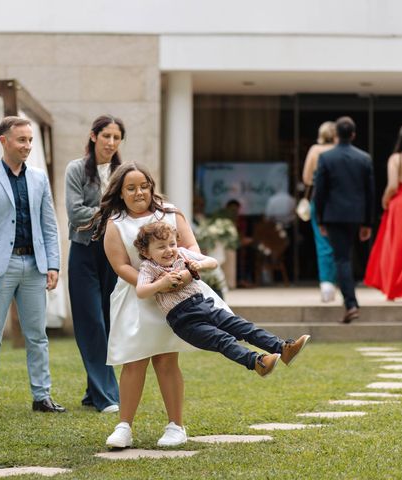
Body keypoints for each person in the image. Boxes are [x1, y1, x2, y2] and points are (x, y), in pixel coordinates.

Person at [89, 162, 231, 449]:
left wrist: (180, 275)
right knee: (134, 361)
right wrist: (154, 285)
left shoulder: (170, 213)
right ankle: (124, 426)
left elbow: (192, 248)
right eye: (131, 188)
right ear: (120, 192)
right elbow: (120, 265)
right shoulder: (115, 225)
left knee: (166, 360)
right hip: (136, 296)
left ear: (152, 187)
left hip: (176, 296)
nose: (139, 192)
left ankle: (176, 425)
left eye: (144, 186)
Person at [0, 116, 65, 416]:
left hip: (34, 265)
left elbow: (49, 225)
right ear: (4, 141)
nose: (27, 146)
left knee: (37, 335)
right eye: (22, 140)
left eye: (30, 140)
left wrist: (53, 264)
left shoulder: (38, 178)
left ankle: (42, 396)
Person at [134, 221, 310, 376]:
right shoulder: (149, 267)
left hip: (204, 305)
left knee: (244, 327)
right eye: (161, 247)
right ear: (147, 252)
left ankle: (282, 349)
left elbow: (213, 262)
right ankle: (258, 362)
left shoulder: (182, 254)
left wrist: (199, 264)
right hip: (184, 320)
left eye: (171, 243)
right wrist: (161, 283)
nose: (169, 250)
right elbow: (141, 291)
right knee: (222, 340)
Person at [65, 115, 125, 413]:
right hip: (83, 252)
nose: (111, 143)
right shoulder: (76, 169)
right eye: (106, 136)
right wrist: (113, 213)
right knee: (92, 323)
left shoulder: (123, 173)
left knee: (109, 323)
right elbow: (76, 214)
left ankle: (93, 391)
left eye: (116, 138)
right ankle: (107, 397)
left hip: (114, 255)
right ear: (93, 137)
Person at [314, 116, 374, 324]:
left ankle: (351, 304)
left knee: (342, 259)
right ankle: (350, 302)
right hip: (355, 216)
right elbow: (370, 193)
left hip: (333, 215)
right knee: (346, 257)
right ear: (354, 134)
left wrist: (319, 218)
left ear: (336, 135)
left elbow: (319, 192)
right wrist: (367, 222)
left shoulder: (327, 158)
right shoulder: (364, 158)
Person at [364, 124, 402, 300]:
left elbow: (392, 186)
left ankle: (393, 289)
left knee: (396, 247)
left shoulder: (396, 159)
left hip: (399, 204)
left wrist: (385, 200)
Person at [302, 121, 338, 302]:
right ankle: (338, 281)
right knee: (339, 243)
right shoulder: (340, 150)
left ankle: (327, 284)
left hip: (320, 199)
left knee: (323, 242)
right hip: (340, 201)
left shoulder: (316, 150)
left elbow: (307, 178)